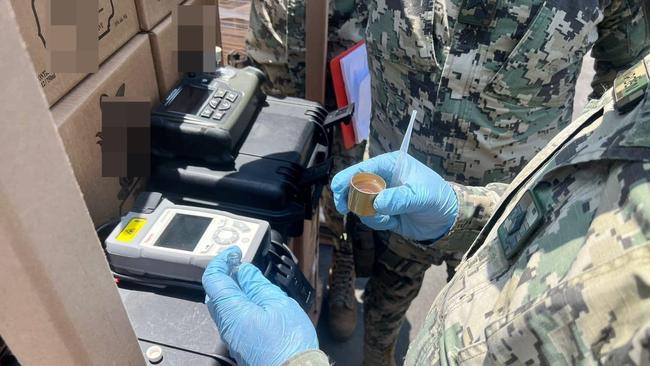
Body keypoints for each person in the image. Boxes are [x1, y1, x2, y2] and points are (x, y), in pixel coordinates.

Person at [203, 53, 650, 365]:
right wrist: (467, 213)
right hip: (454, 243)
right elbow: (581, 194)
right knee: (384, 305)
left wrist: (296, 363)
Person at [356, 1, 650, 363]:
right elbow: (343, 21)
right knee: (385, 299)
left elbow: (623, 79)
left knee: (480, 317)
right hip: (400, 189)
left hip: (516, 216)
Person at [241, 0, 369, 340]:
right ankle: (274, 266)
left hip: (350, 39)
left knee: (348, 169)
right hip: (280, 38)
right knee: (272, 162)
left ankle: (344, 259)